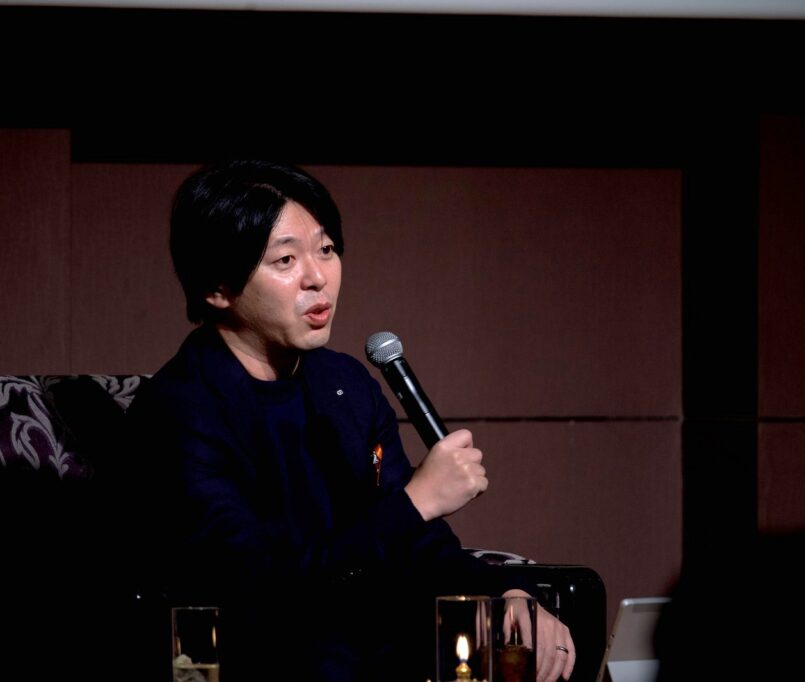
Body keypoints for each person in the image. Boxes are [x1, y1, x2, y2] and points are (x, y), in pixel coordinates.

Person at [127, 160, 574, 681]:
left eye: (326, 249)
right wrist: (415, 503)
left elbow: (413, 541)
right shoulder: (180, 410)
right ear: (218, 286)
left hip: (369, 653)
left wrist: (507, 593)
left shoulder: (344, 385)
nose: (318, 277)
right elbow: (253, 586)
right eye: (285, 259)